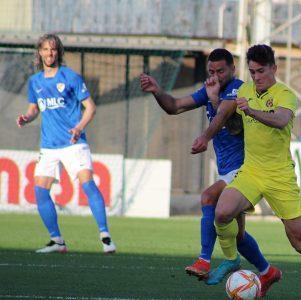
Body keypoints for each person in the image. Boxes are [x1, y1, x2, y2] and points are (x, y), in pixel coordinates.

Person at [212, 44, 301, 300]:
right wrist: (226, 112)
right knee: (222, 211)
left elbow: (281, 120)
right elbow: (234, 127)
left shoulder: (285, 94)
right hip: (252, 171)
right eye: (252, 72)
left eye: (261, 71)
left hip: (280, 176)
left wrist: (251, 110)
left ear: (273, 68)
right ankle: (232, 259)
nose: (256, 77)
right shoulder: (244, 90)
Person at [139, 48, 281, 296]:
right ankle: (267, 271)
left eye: (221, 71)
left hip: (246, 168)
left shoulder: (238, 88)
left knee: (208, 197)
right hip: (228, 169)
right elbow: (174, 106)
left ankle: (204, 260)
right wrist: (157, 91)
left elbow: (230, 121)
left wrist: (207, 129)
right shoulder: (211, 89)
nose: (216, 75)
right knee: (237, 236)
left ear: (233, 69)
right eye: (211, 71)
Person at [16, 33, 116, 254]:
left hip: (73, 142)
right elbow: (34, 109)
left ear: (58, 52)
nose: (49, 53)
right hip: (49, 145)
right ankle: (57, 241)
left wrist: (79, 127)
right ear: (39, 52)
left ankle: (105, 236)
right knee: (40, 191)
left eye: (53, 49)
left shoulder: (70, 77)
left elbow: (90, 107)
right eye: (45, 49)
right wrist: (27, 117)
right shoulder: (35, 82)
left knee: (87, 184)